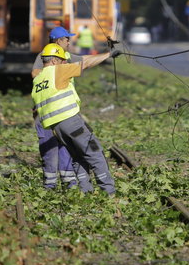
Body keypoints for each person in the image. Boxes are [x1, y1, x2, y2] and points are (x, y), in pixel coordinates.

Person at [31, 43, 121, 195]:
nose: (65, 62)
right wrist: (108, 55)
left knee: (78, 156)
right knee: (95, 152)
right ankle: (109, 193)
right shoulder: (57, 71)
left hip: (56, 128)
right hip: (70, 121)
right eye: (62, 60)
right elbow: (84, 63)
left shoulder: (38, 80)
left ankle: (86, 191)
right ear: (54, 61)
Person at [31, 26, 81, 189]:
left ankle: (69, 183)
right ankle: (50, 186)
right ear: (58, 41)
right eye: (67, 38)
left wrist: (108, 54)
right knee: (49, 148)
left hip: (63, 110)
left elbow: (85, 61)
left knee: (66, 146)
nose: (69, 41)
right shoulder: (45, 55)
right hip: (46, 111)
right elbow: (36, 73)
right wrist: (57, 72)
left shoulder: (67, 57)